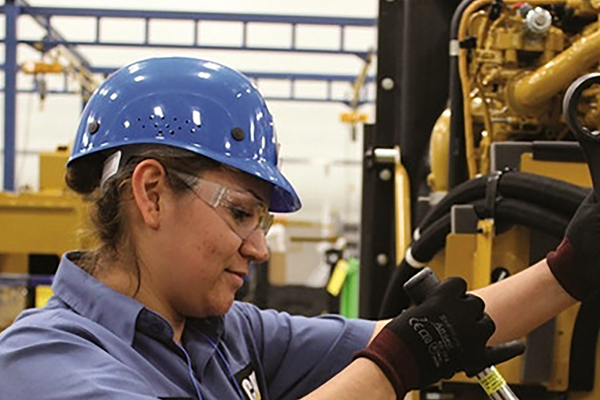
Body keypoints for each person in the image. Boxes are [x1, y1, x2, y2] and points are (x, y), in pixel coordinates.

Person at [0, 56, 597, 400]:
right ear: (151, 193)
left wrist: (570, 268)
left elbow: (421, 331)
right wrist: (389, 369)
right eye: (240, 213)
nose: (259, 247)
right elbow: (395, 353)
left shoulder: (229, 335)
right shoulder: (42, 361)